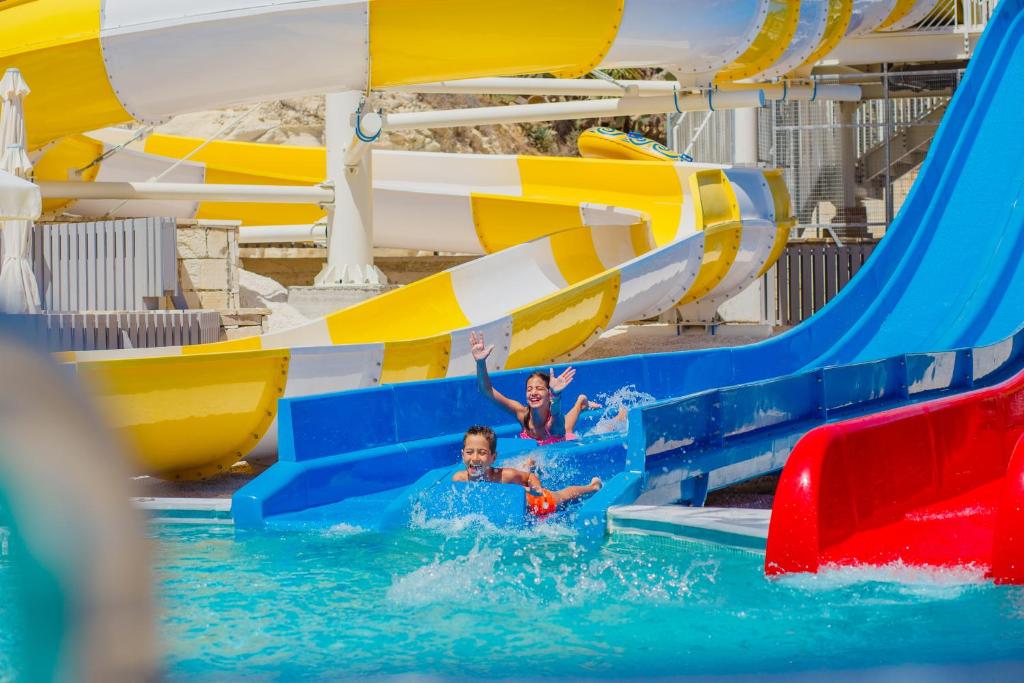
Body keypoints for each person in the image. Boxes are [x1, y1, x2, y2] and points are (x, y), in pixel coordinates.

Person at [470, 330, 599, 444]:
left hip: (563, 441)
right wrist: (480, 362)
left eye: (539, 388)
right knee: (567, 427)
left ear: (548, 394)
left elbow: (556, 413)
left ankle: (580, 404)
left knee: (567, 430)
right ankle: (581, 403)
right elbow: (486, 391)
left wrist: (556, 395)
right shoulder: (521, 413)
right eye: (529, 389)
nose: (533, 392)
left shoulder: (553, 423)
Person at [452, 426, 602, 516]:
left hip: (532, 502)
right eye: (469, 452)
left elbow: (529, 477)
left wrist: (537, 488)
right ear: (463, 455)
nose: (475, 458)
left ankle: (592, 487)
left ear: (493, 457)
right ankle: (529, 464)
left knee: (561, 497)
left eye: (482, 453)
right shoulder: (459, 479)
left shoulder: (505, 476)